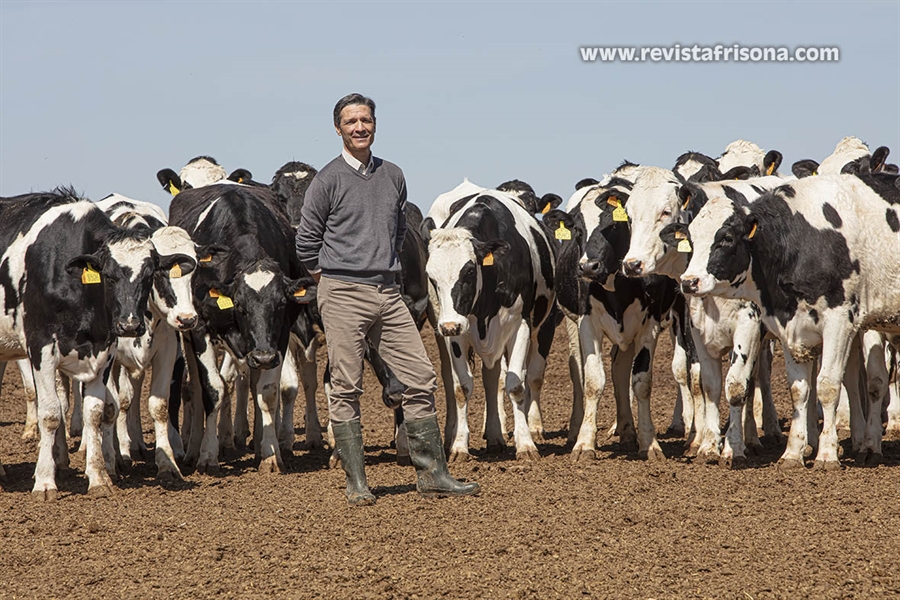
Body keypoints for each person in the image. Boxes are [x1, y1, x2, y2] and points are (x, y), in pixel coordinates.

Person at [295, 93, 480, 505]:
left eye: (365, 120)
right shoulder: (326, 180)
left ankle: (432, 474)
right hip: (343, 291)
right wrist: (330, 278)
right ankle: (357, 482)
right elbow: (306, 242)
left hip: (388, 290)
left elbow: (398, 229)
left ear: (375, 124)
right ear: (338, 128)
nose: (359, 127)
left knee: (421, 378)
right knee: (346, 386)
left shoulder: (394, 175)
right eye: (350, 122)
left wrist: (386, 263)